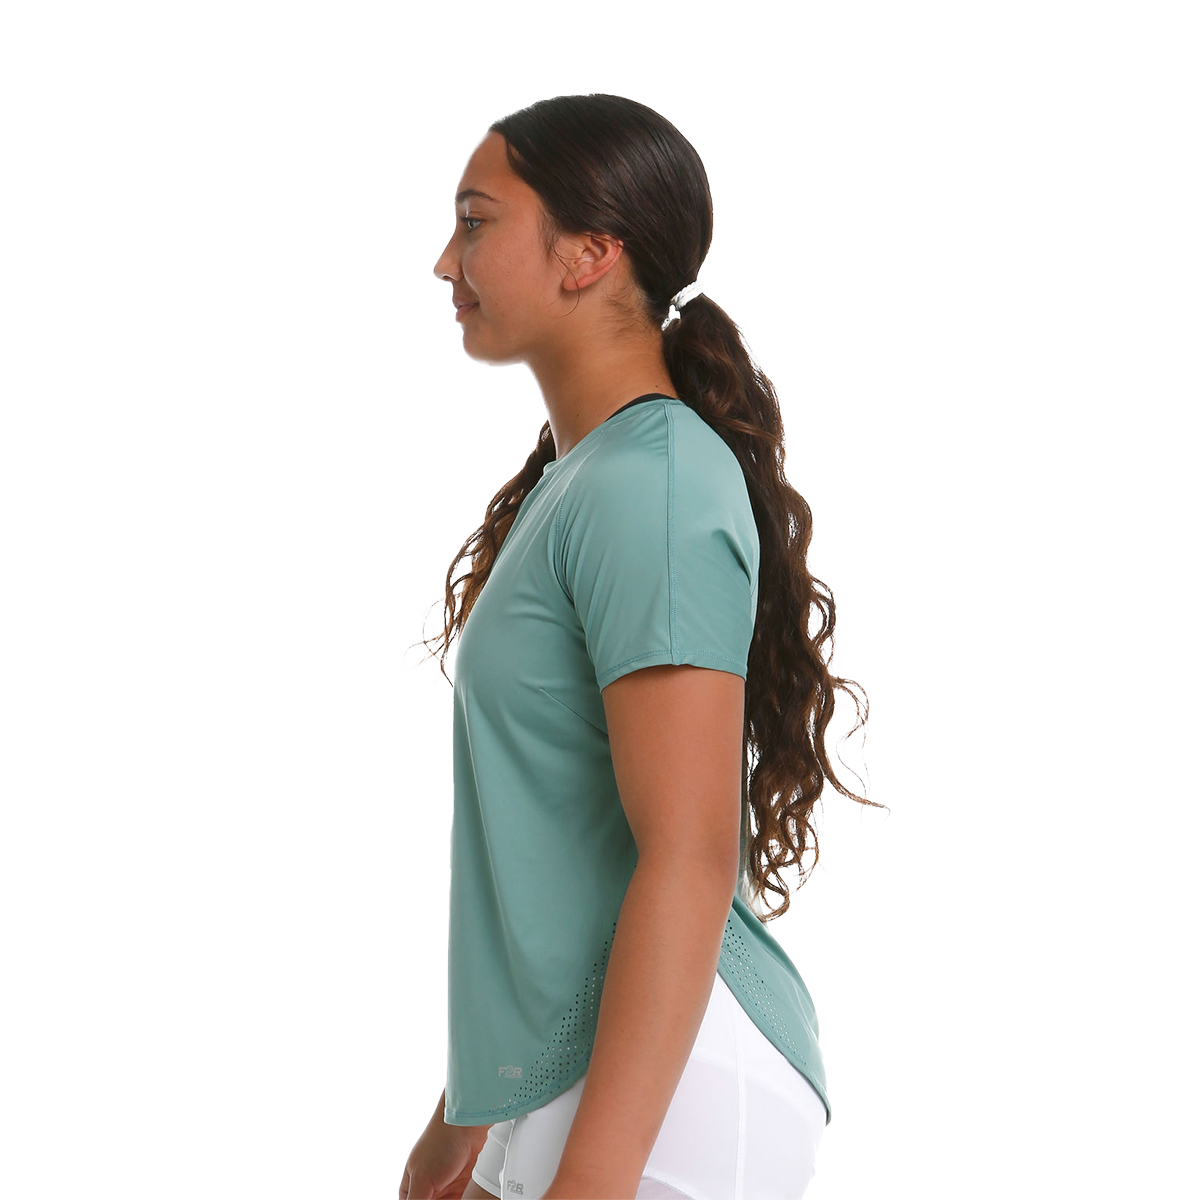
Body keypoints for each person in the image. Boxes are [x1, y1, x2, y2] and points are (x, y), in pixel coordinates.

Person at [401, 93, 879, 1200]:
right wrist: (464, 1113)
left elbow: (688, 852)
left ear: (589, 254)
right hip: (579, 1075)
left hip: (675, 1092)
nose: (444, 261)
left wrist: (595, 1175)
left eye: (475, 222)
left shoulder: (652, 482)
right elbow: (565, 850)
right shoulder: (593, 480)